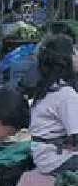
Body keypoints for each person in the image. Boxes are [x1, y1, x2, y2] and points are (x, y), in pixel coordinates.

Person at [27, 34, 78, 175]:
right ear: (65, 59)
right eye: (74, 52)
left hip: (44, 156)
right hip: (57, 159)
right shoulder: (65, 94)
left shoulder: (49, 87)